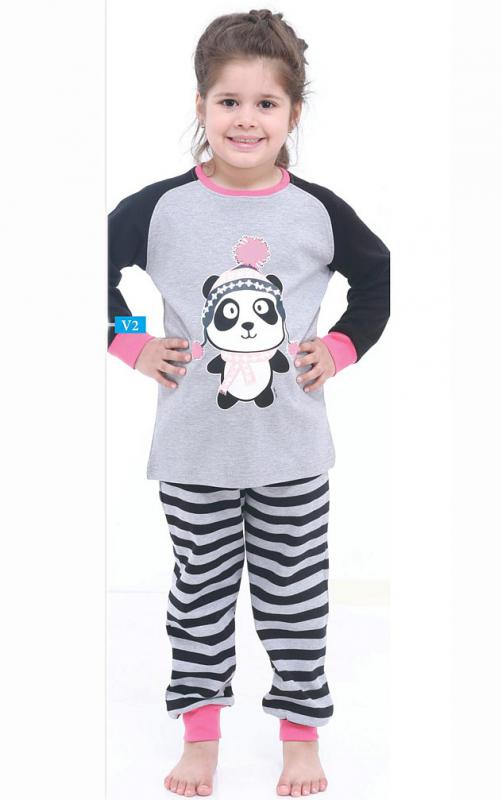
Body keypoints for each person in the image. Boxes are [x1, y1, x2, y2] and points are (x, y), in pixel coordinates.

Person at [108, 8, 390, 798]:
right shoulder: (160, 208)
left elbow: (378, 278)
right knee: (199, 597)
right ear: (200, 106)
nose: (245, 119)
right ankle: (200, 734)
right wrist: (133, 343)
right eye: (228, 101)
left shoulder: (317, 210)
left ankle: (300, 735)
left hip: (292, 455)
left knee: (294, 600)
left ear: (293, 114)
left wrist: (339, 347)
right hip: (193, 454)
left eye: (265, 103)